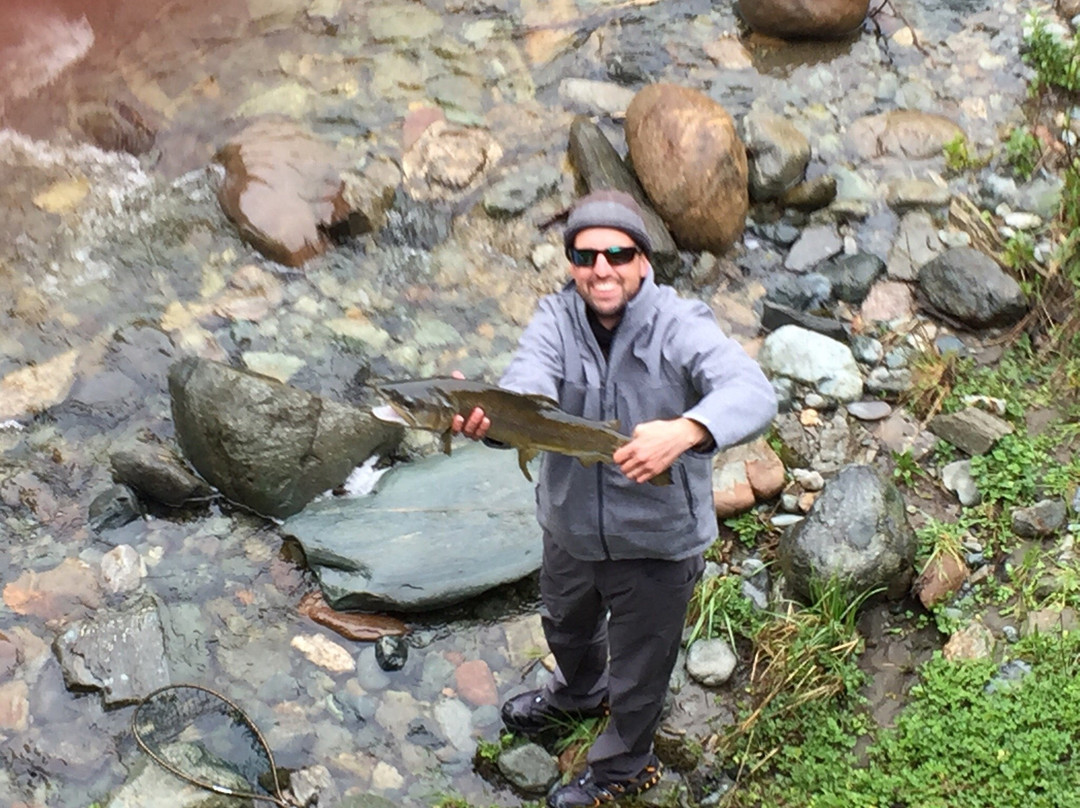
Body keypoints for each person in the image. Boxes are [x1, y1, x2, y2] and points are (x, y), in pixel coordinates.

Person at [453, 189, 778, 808]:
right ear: (571, 261)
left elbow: (753, 391)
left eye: (618, 253)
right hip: (570, 529)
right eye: (586, 254)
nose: (601, 268)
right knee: (565, 626)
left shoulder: (682, 324)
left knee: (641, 668)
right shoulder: (554, 319)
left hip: (658, 544)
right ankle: (579, 692)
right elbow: (528, 382)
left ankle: (625, 765)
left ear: (642, 261)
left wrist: (688, 430)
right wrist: (493, 419)